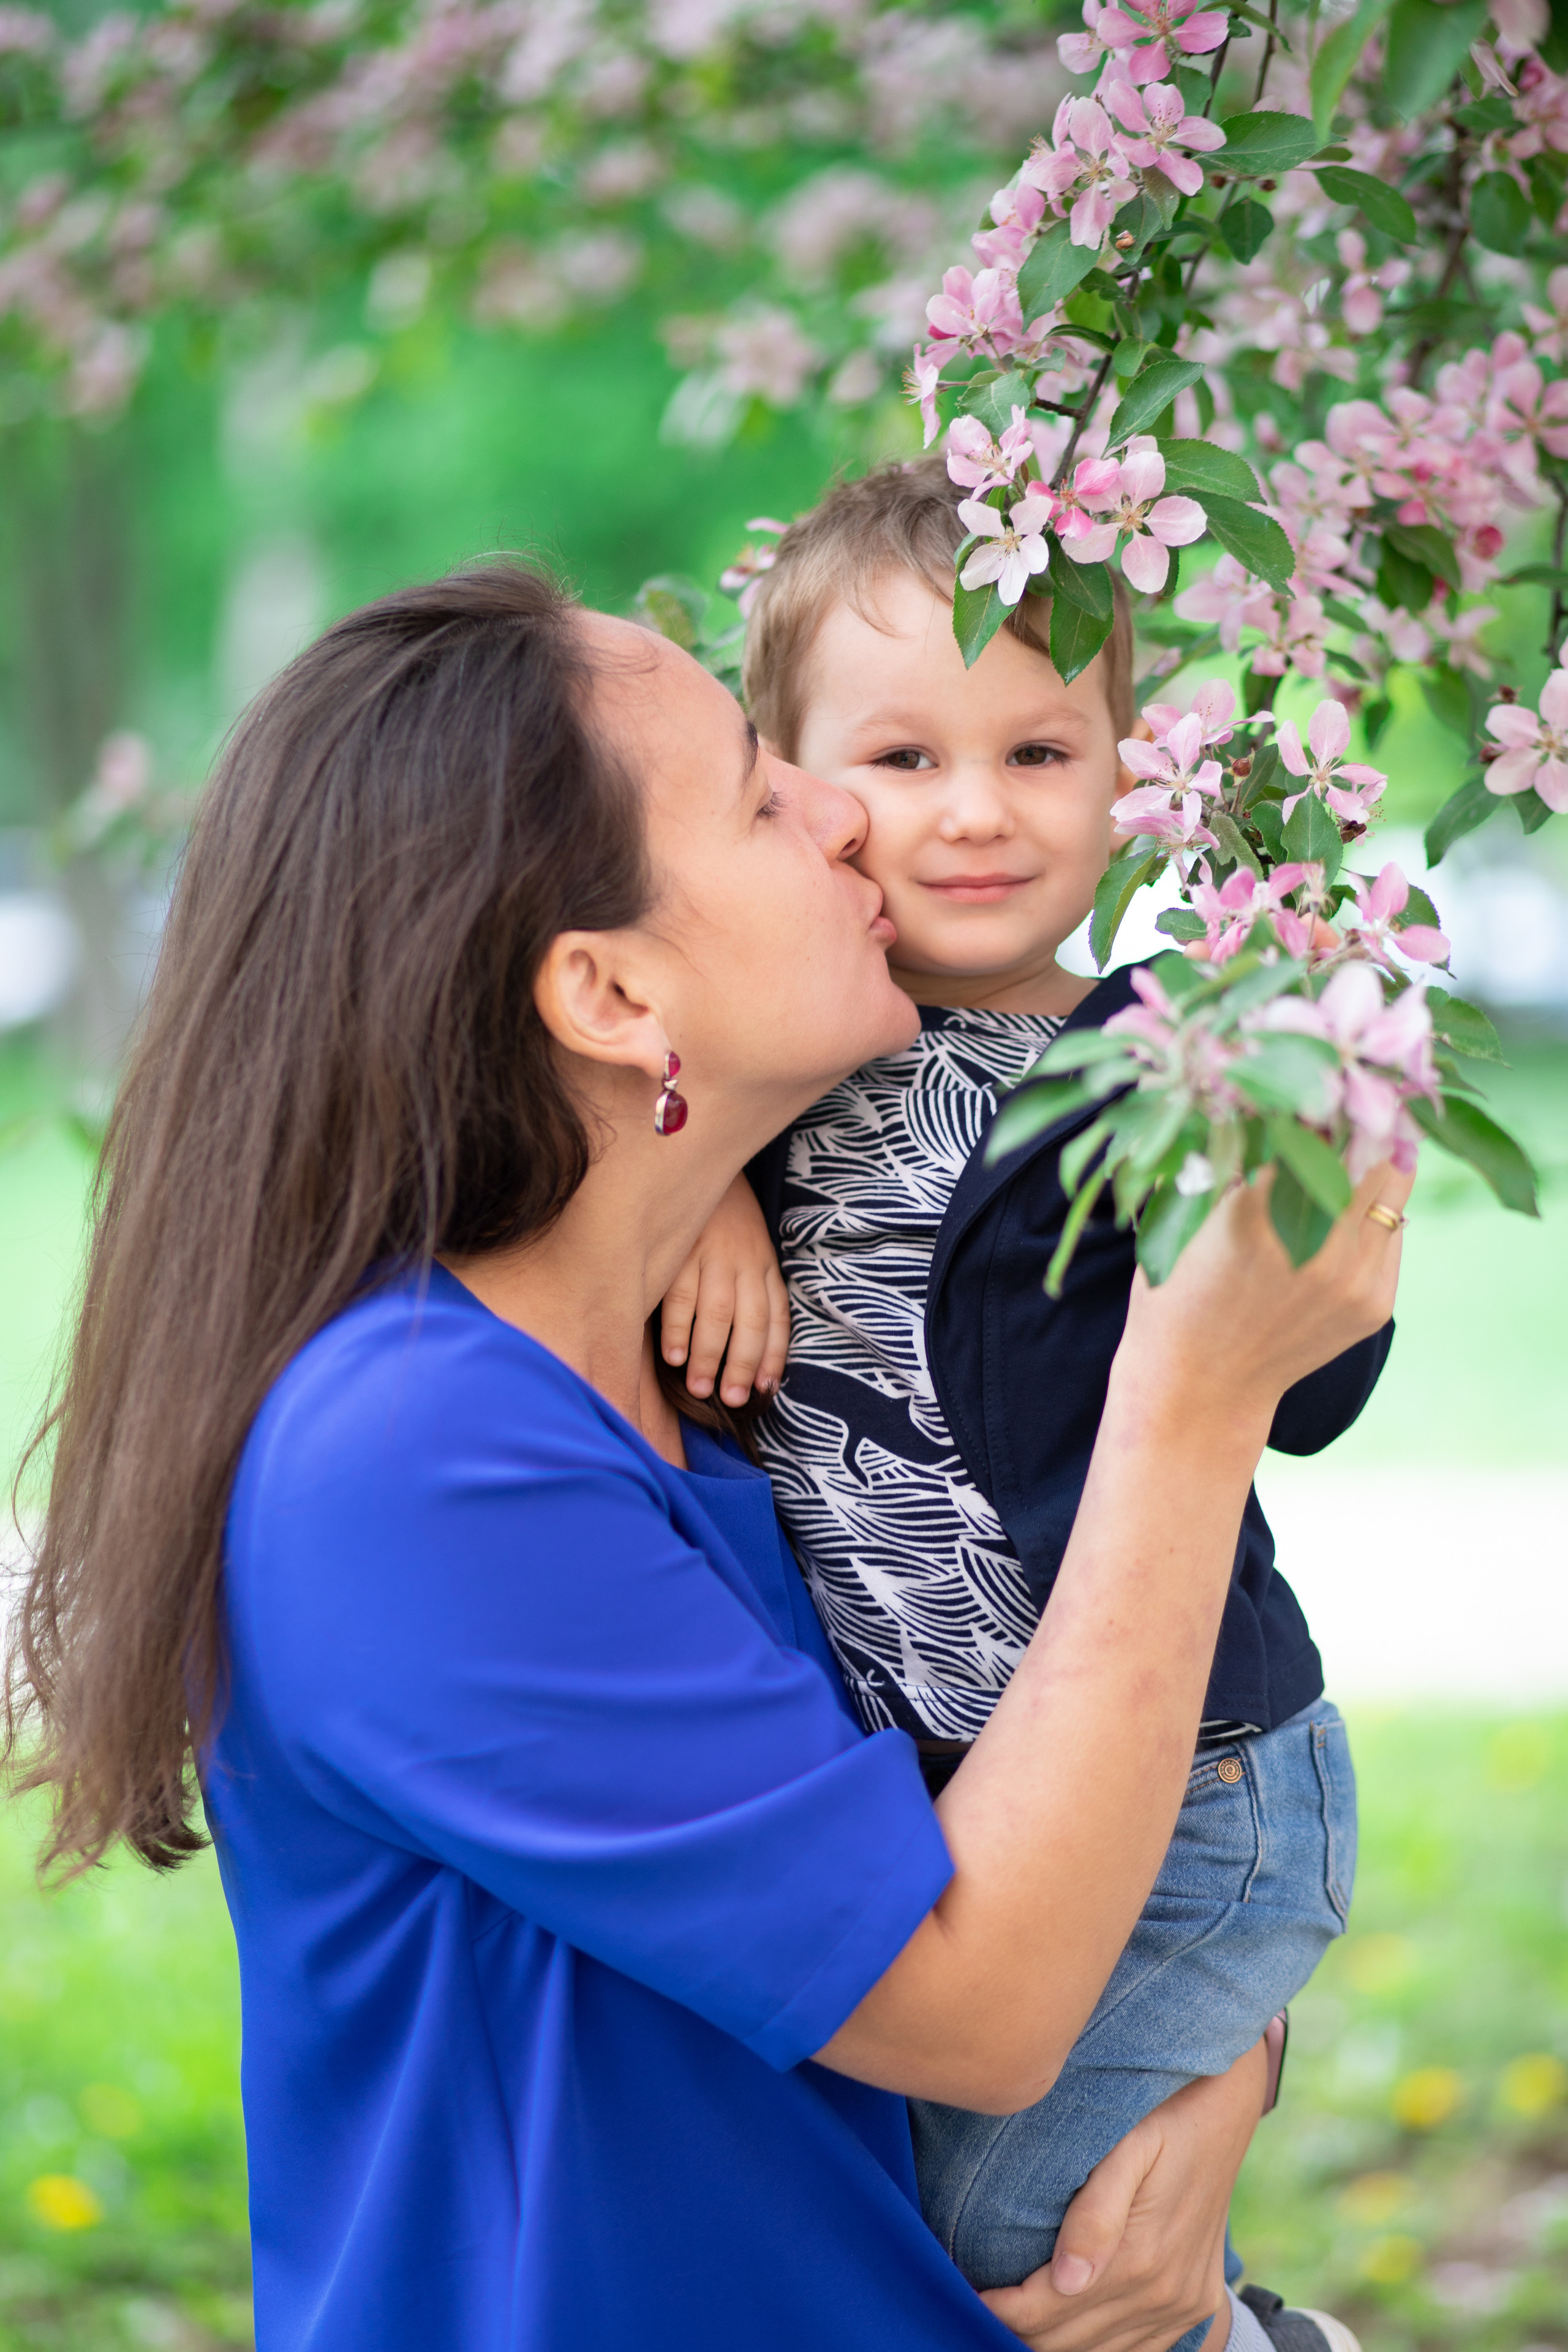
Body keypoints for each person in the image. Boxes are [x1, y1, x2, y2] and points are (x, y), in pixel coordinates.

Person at [4, 561, 1408, 2352]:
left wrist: (1217, 2044)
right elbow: (973, 2004)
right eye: (761, 794)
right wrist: (1193, 1400)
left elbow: (1021, 1796)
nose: (847, 813)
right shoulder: (415, 1464)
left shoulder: (734, 1377)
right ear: (609, 996)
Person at [658, 460, 1389, 2301]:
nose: (976, 811)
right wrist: (708, 1196)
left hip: (1193, 1789)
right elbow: (628, 1142)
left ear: (1133, 770)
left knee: (1019, 2258)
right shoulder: (780, 1046)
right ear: (791, 782)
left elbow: (1308, 1388)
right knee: (968, 2222)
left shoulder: (1167, 1051)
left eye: (1041, 752)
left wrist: (1289, 1138)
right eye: (905, 758)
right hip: (944, 1801)